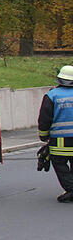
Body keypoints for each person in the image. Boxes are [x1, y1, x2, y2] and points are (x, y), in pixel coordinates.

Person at [38, 65, 73, 203]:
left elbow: (44, 119)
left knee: (60, 164)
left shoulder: (52, 96)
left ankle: (71, 190)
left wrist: (43, 135)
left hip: (60, 142)